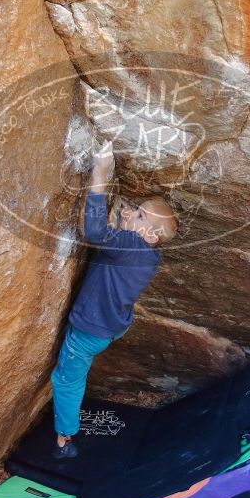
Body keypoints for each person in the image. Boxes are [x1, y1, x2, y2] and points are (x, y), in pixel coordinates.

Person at [51, 140, 178, 458]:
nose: (127, 212)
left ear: (150, 235)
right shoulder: (149, 257)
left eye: (138, 215)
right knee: (77, 367)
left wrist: (100, 174)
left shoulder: (132, 247)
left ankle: (65, 437)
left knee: (67, 379)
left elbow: (95, 232)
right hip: (110, 327)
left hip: (89, 331)